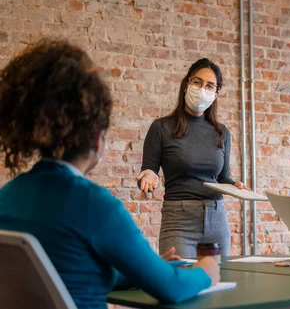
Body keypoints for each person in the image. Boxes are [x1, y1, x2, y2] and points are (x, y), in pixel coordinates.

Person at [0, 39, 219, 308]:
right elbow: (171, 288)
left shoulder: (7, 197)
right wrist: (205, 272)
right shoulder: (94, 205)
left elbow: (68, 271)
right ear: (96, 137)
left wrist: (146, 270)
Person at [136, 58, 248, 258]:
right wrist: (148, 176)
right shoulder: (161, 127)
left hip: (216, 218)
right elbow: (150, 168)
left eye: (209, 86)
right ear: (186, 84)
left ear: (216, 93)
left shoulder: (222, 132)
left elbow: (223, 178)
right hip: (179, 220)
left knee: (219, 284)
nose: (202, 89)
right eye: (197, 82)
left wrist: (235, 186)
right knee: (179, 282)